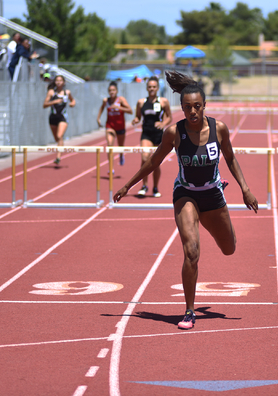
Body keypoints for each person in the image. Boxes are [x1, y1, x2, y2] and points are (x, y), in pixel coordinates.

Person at [113, 71, 258, 330]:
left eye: (197, 107)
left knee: (229, 248)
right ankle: (189, 311)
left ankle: (215, 204)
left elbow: (231, 158)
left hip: (213, 194)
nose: (192, 112)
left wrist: (245, 189)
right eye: (188, 107)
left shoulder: (219, 129)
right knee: (191, 251)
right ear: (182, 108)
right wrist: (127, 185)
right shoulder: (174, 133)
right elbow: (153, 162)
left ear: (205, 106)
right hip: (186, 193)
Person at [132, 76, 172, 197]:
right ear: (146, 88)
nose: (152, 89)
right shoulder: (141, 102)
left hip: (159, 135)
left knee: (156, 163)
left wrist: (163, 123)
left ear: (158, 88)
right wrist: (135, 120)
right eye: (150, 87)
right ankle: (144, 185)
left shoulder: (163, 101)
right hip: (146, 134)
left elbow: (169, 117)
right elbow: (138, 117)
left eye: (154, 87)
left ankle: (155, 187)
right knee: (145, 158)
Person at [97, 81, 132, 171]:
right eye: (110, 90)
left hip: (120, 126)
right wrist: (98, 118)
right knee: (109, 145)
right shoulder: (106, 100)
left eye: (113, 90)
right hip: (110, 126)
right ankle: (111, 167)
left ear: (116, 91)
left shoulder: (121, 100)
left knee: (120, 146)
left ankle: (121, 155)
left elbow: (130, 111)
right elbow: (101, 108)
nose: (112, 92)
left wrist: (119, 108)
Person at [43, 75, 76, 165]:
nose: (58, 82)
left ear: (64, 82)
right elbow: (44, 105)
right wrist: (54, 101)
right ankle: (60, 147)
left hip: (62, 117)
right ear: (54, 82)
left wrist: (72, 104)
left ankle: (58, 157)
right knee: (57, 138)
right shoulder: (51, 92)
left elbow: (73, 100)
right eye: (57, 80)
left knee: (59, 135)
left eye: (60, 80)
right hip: (53, 117)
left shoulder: (67, 92)